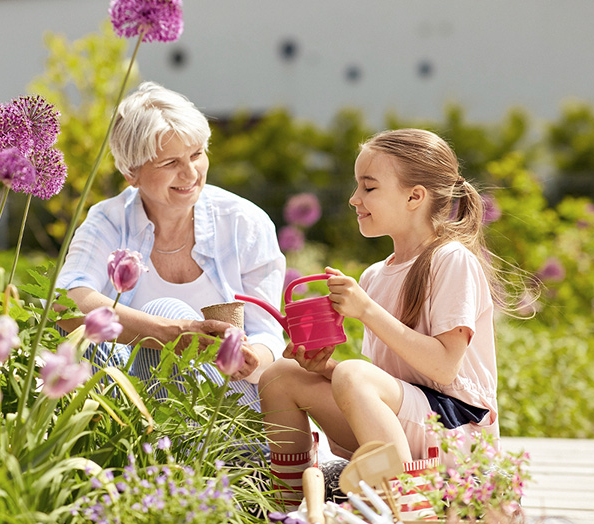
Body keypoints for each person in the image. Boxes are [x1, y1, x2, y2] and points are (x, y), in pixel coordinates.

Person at [259, 128, 508, 507]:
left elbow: (442, 368)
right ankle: (293, 506)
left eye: (369, 187)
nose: (354, 199)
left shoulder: (451, 259)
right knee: (281, 375)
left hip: (457, 433)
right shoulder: (375, 275)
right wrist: (323, 368)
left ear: (414, 196)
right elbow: (387, 384)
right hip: (406, 430)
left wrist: (366, 312)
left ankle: (403, 507)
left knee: (353, 373)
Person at [56, 81, 285, 411]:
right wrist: (172, 333)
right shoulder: (108, 220)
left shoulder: (242, 222)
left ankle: (191, 458)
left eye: (196, 154)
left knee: (157, 314)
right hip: (135, 408)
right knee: (97, 336)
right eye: (170, 163)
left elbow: (268, 334)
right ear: (131, 172)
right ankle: (152, 453)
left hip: (228, 410)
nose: (191, 173)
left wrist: (252, 358)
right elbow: (65, 302)